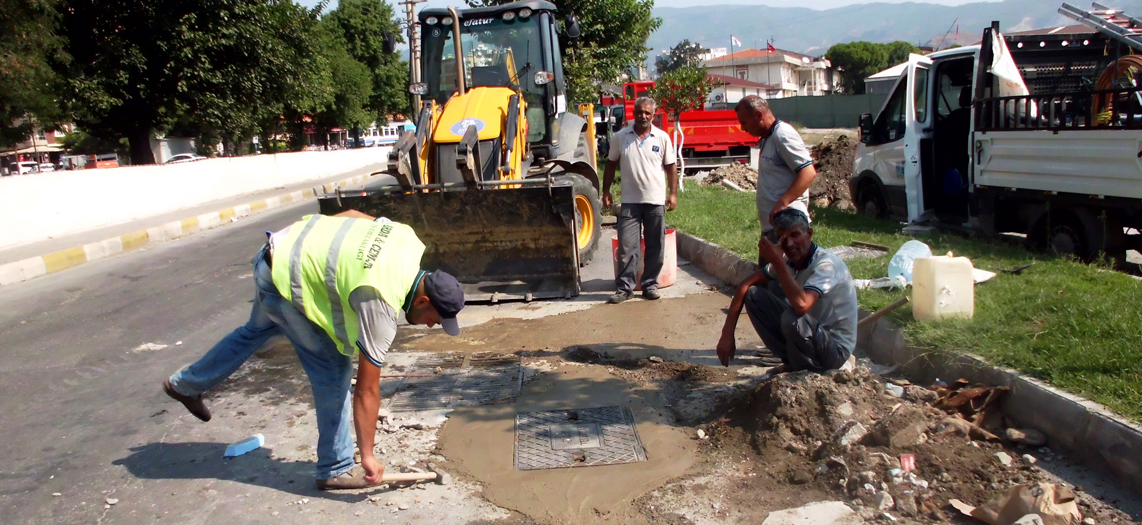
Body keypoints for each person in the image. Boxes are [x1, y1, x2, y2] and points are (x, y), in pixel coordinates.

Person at [161, 210, 464, 490]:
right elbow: (368, 390)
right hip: (284, 281)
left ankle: (184, 384)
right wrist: (368, 455)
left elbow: (352, 217)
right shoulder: (381, 301)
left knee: (254, 332)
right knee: (335, 370)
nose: (429, 326)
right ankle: (336, 466)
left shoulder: (407, 239)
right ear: (423, 302)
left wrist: (311, 249)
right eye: (434, 320)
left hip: (277, 251)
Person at [715, 208, 857, 374]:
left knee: (792, 318)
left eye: (795, 235)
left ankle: (804, 371)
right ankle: (793, 362)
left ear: (809, 234)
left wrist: (777, 261)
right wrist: (727, 334)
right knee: (754, 296)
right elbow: (745, 286)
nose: (789, 244)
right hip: (812, 337)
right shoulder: (789, 261)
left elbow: (801, 306)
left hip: (834, 350)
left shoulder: (826, 265)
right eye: (782, 237)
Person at [602, 96, 679, 304]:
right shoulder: (621, 137)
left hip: (655, 201)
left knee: (655, 245)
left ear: (653, 115)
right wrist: (606, 191)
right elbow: (610, 165)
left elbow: (671, 167)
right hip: (629, 201)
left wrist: (673, 194)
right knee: (627, 246)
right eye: (639, 112)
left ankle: (650, 285)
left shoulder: (662, 138)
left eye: (647, 113)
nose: (642, 116)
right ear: (633, 113)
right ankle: (625, 288)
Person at [735, 95, 818, 245]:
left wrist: (782, 203)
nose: (743, 128)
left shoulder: (783, 135)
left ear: (759, 115)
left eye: (744, 122)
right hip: (776, 226)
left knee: (781, 268)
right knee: (768, 268)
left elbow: (808, 172)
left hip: (788, 226)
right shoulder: (769, 137)